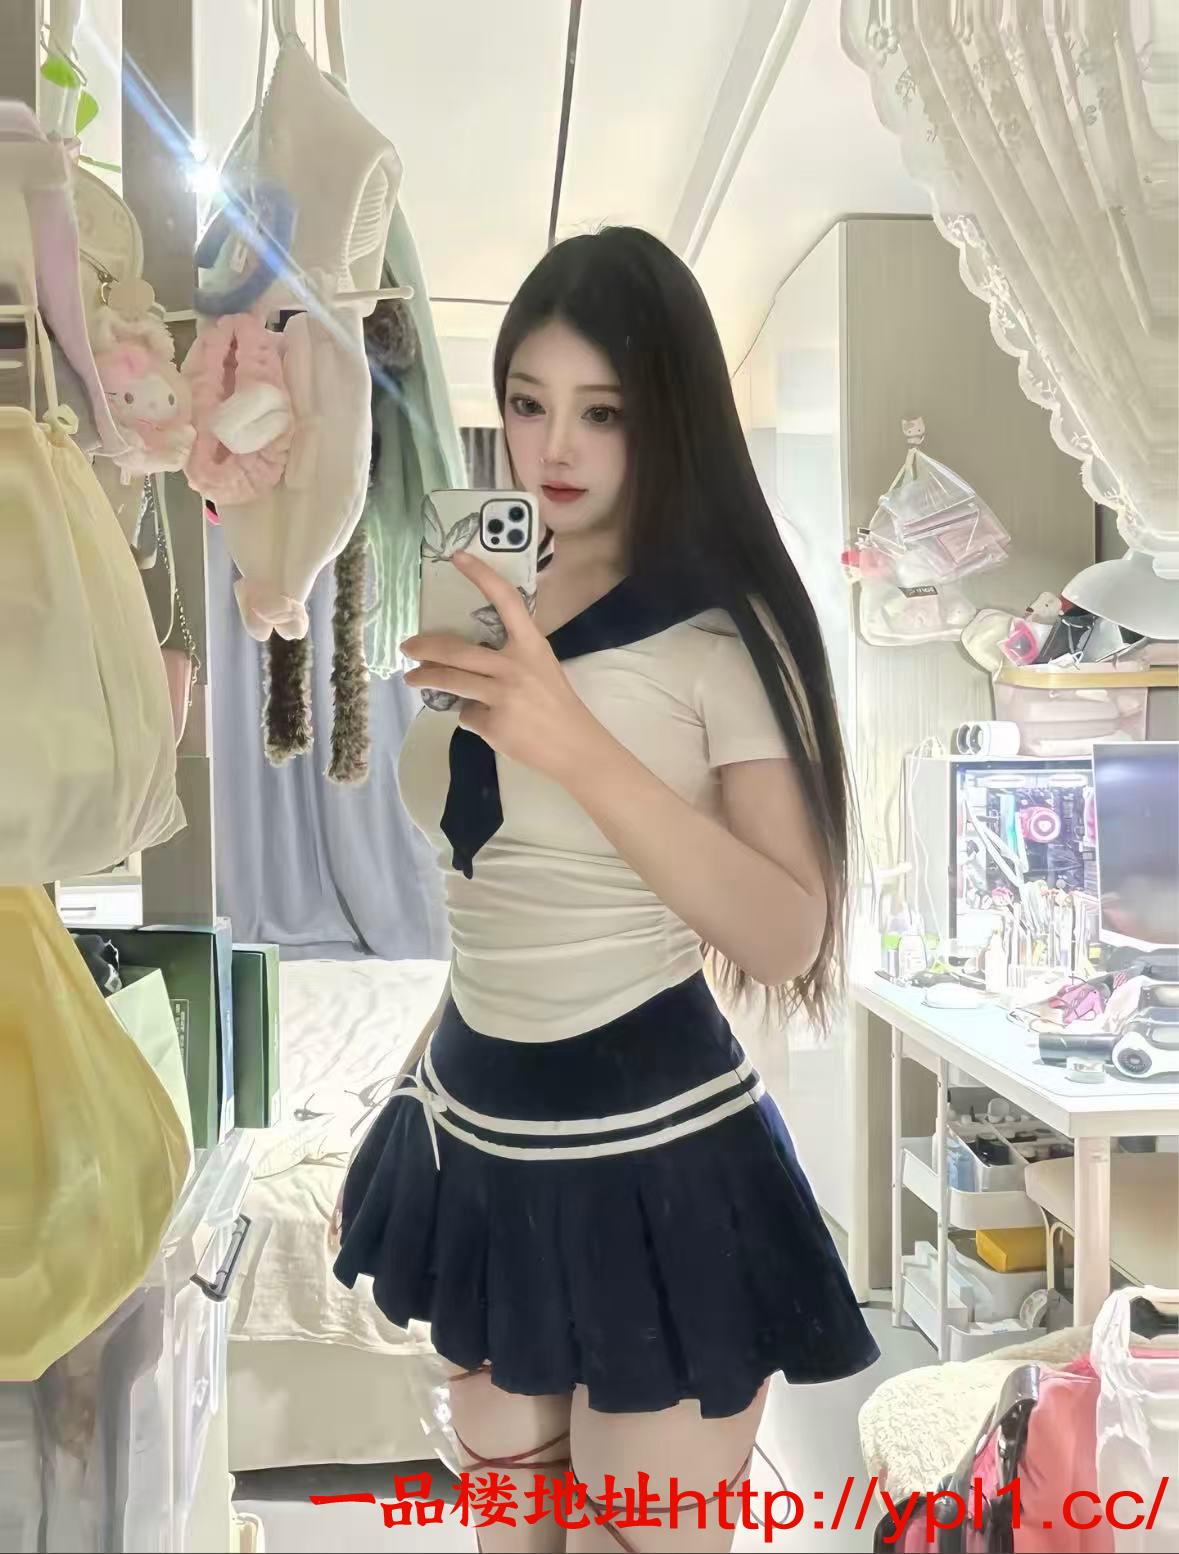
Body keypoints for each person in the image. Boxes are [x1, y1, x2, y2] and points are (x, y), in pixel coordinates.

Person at [331, 226, 877, 1553]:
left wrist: (572, 738)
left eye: (603, 411)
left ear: (666, 415)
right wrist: (408, 1087)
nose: (554, 449)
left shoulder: (718, 629)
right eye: (528, 404)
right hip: (478, 1119)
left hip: (656, 1145)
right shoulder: (488, 590)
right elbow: (495, 881)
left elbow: (789, 929)